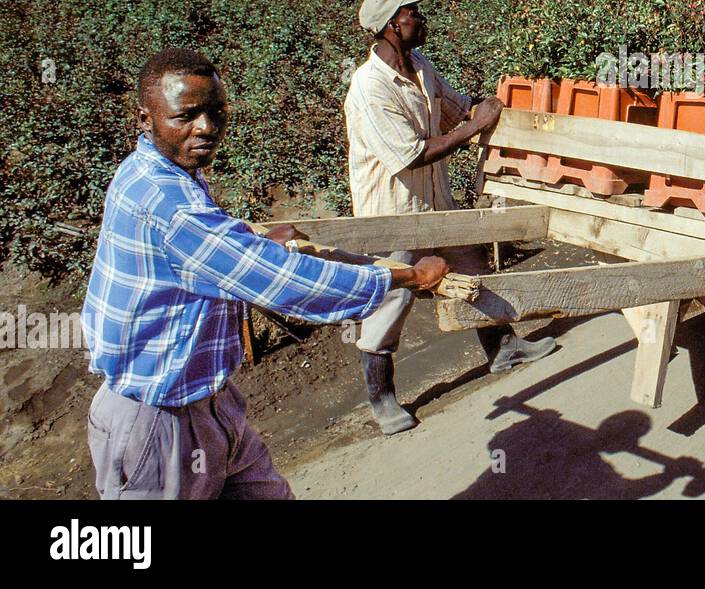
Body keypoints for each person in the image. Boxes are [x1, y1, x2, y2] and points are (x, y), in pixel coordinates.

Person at [81, 48, 450, 498]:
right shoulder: (169, 204)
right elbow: (286, 285)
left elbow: (209, 253)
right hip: (157, 422)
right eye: (187, 116)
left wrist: (254, 245)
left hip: (209, 402)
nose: (206, 128)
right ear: (144, 119)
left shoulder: (156, 170)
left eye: (216, 112)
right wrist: (406, 277)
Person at [344, 0, 558, 434]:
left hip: (435, 200)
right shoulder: (370, 86)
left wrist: (490, 107)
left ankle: (503, 348)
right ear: (390, 26)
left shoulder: (421, 68)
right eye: (412, 14)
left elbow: (459, 109)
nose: (421, 20)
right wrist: (475, 126)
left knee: (471, 267)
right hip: (393, 211)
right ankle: (381, 399)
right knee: (391, 298)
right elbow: (409, 155)